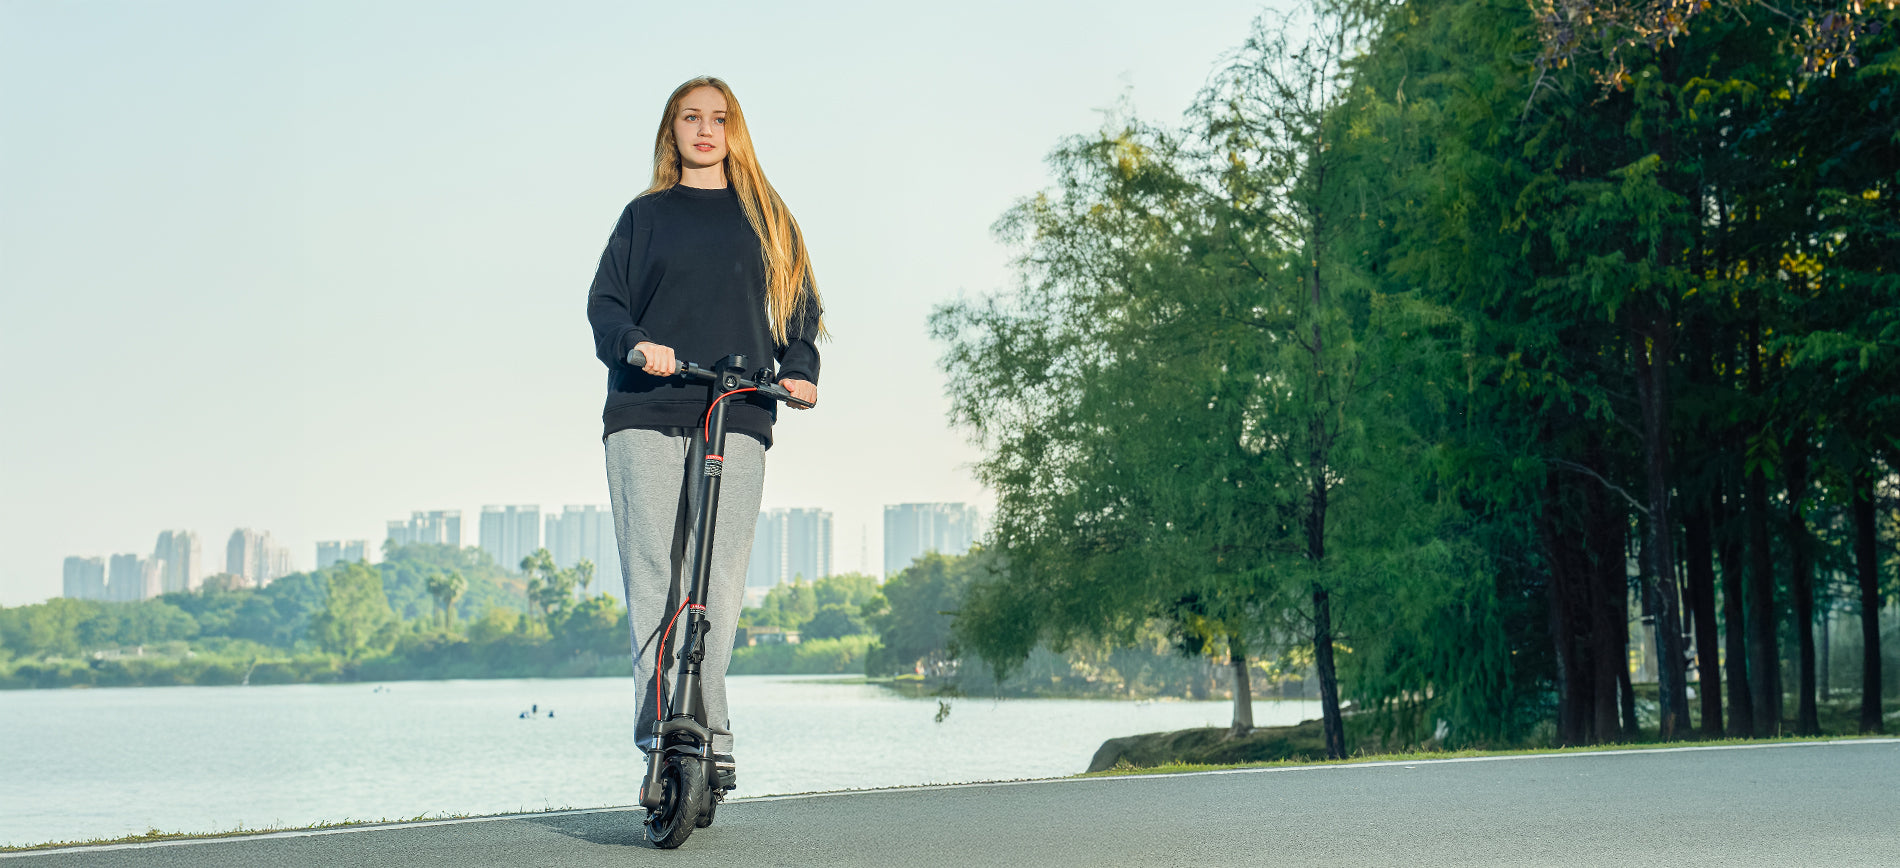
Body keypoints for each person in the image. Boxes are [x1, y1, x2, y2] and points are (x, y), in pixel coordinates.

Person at [586, 76, 824, 791]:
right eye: (691, 117)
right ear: (673, 130)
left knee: (716, 581)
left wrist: (800, 370)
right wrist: (636, 345)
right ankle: (663, 740)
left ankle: (709, 732)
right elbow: (605, 304)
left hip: (739, 408)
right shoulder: (644, 216)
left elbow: (801, 307)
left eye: (719, 118)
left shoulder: (768, 217)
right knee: (655, 580)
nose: (705, 129)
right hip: (646, 410)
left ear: (734, 130)